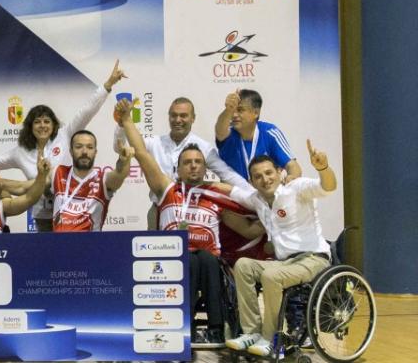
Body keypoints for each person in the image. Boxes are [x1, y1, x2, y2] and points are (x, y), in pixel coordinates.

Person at [118, 100, 265, 347]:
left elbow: (248, 229)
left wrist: (275, 218)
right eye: (188, 162)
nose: (194, 165)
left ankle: (215, 330)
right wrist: (125, 120)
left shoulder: (215, 196)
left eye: (198, 162)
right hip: (169, 260)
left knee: (204, 259)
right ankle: (188, 326)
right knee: (190, 259)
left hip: (209, 261)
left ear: (206, 168)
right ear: (178, 169)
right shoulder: (167, 190)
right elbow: (142, 153)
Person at [0, 60, 127, 231]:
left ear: (54, 124)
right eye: (37, 122)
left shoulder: (65, 135)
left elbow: (87, 111)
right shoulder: (21, 152)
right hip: (43, 215)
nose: (43, 125)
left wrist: (108, 84)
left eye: (47, 121)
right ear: (30, 126)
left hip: (73, 210)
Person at [225, 143, 336, 357]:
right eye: (258, 176)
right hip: (285, 262)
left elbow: (328, 187)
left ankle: (271, 338)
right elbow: (229, 189)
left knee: (271, 276)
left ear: (279, 172)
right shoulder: (256, 199)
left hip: (313, 258)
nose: (265, 179)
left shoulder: (297, 189)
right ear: (252, 181)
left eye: (269, 173)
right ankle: (251, 332)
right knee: (243, 265)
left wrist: (323, 169)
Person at [110, 96, 249, 229]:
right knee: (155, 252)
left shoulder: (204, 147)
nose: (178, 120)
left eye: (183, 115)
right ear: (169, 117)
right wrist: (122, 123)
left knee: (194, 253)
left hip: (194, 212)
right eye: (174, 115)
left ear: (193, 118)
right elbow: (120, 147)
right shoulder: (154, 143)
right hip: (158, 210)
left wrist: (254, 196)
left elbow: (227, 174)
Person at [51, 130, 131, 232]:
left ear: (95, 152)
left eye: (90, 147)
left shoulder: (103, 180)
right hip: (57, 244)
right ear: (71, 151)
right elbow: (30, 188)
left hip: (90, 245)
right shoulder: (58, 172)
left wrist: (123, 161)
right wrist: (40, 175)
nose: (84, 152)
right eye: (79, 147)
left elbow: (120, 174)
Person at [214, 89, 301, 183]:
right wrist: (228, 110)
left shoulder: (270, 132)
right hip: (233, 194)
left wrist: (292, 178)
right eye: (233, 111)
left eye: (240, 110)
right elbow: (219, 131)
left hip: (264, 194)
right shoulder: (228, 132)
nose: (234, 115)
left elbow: (292, 165)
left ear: (256, 113)